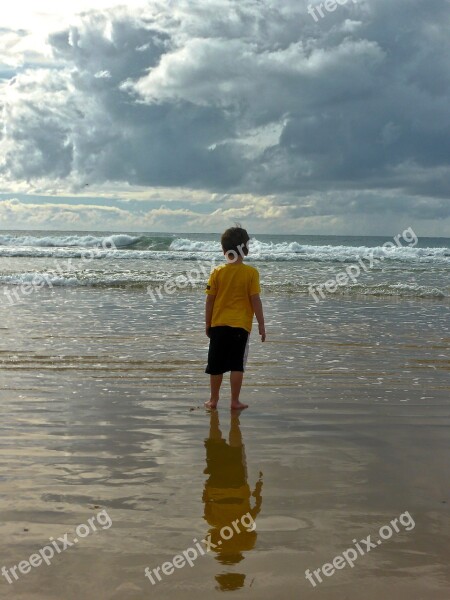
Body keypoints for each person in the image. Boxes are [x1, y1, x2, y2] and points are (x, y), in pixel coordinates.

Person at [204, 226, 266, 410]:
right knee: (236, 365)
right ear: (245, 248)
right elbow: (255, 300)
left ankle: (213, 400)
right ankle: (234, 401)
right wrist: (261, 324)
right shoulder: (251, 273)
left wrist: (207, 323)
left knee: (215, 365)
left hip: (218, 324)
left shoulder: (217, 272)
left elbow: (209, 300)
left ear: (224, 250)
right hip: (240, 327)